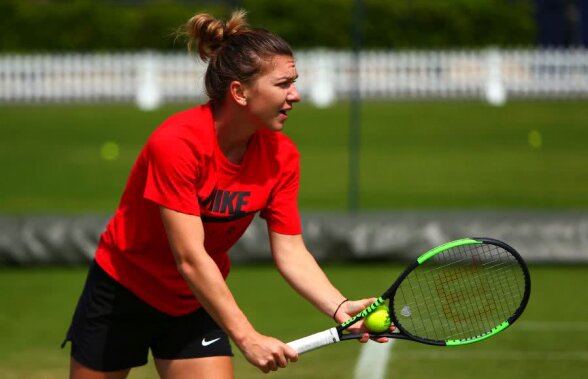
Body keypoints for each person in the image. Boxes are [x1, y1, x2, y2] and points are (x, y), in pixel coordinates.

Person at [63, 9, 386, 379]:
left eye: (294, 82)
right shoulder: (176, 144)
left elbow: (291, 251)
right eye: (283, 84)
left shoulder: (282, 156)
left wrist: (339, 306)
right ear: (239, 92)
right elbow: (189, 257)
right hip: (123, 291)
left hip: (194, 299)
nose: (296, 95)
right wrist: (246, 336)